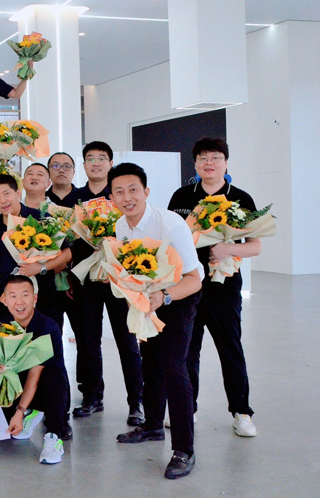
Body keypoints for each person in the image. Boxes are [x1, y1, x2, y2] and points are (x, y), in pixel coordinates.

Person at [111, 163, 203, 480]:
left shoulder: (170, 224)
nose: (127, 197)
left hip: (178, 297)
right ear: (112, 198)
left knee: (174, 367)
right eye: (119, 192)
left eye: (133, 190)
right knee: (149, 361)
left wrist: (163, 297)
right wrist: (139, 303)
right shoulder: (121, 226)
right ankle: (152, 427)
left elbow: (194, 279)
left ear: (146, 192)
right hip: (147, 299)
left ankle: (185, 450)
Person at [167, 138, 261, 438]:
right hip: (187, 285)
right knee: (187, 349)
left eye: (216, 157)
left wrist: (227, 249)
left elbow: (255, 246)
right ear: (195, 163)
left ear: (226, 162)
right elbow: (169, 241)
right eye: (203, 158)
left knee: (230, 348)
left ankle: (242, 412)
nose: (209, 163)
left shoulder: (241, 198)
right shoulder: (182, 196)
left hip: (225, 287)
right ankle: (187, 408)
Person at [69, 142, 144, 428]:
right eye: (90, 159)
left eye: (102, 158)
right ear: (84, 165)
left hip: (119, 279)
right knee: (88, 341)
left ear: (111, 163)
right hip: (88, 280)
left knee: (128, 341)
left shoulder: (121, 196)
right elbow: (70, 242)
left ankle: (137, 402)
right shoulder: (76, 199)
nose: (96, 163)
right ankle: (92, 397)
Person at [0, 175, 71, 328]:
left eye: (6, 194)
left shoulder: (40, 218)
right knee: (10, 340)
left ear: (18, 193)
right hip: (9, 300)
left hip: (42, 296)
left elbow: (67, 253)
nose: (3, 200)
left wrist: (41, 267)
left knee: (47, 340)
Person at [0, 275, 71, 465]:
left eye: (25, 295)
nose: (19, 302)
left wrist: (19, 411)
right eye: (13, 296)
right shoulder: (3, 326)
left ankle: (54, 437)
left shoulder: (48, 327)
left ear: (35, 298)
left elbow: (34, 374)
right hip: (23, 384)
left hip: (46, 387)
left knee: (52, 376)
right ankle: (31, 412)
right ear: (5, 300)